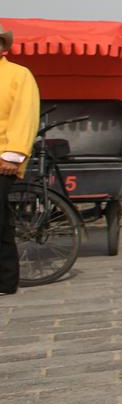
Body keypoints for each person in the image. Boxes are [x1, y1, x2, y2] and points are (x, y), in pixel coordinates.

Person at [1, 25, 42, 296]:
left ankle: (4, 280)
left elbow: (24, 115)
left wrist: (13, 155)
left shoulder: (18, 74)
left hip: (2, 157)